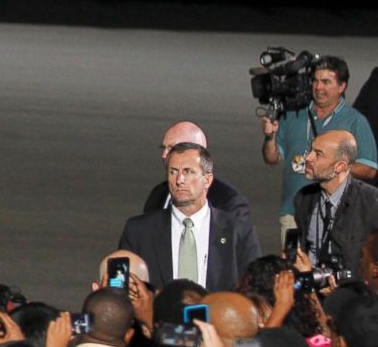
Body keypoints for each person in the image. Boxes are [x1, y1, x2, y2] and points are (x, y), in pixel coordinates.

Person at [116, 142, 262, 290]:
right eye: (173, 172)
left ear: (208, 180)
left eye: (188, 172)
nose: (179, 180)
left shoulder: (239, 232)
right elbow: (121, 288)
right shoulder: (139, 231)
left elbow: (253, 291)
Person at [263, 55, 378, 242]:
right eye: (315, 81)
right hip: (293, 214)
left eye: (326, 82)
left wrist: (333, 169)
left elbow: (370, 168)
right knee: (293, 269)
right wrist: (270, 136)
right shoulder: (293, 114)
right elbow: (271, 158)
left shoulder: (355, 121)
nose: (318, 88)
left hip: (339, 215)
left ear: (342, 87)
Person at [292, 129, 378, 272]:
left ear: (340, 166)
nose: (308, 158)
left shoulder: (372, 203)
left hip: (355, 292)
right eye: (311, 150)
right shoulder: (303, 199)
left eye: (318, 154)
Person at [142, 122, 252, 228]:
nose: (164, 155)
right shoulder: (158, 195)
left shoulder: (229, 203)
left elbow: (238, 244)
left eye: (171, 149)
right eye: (164, 148)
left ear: (196, 152)